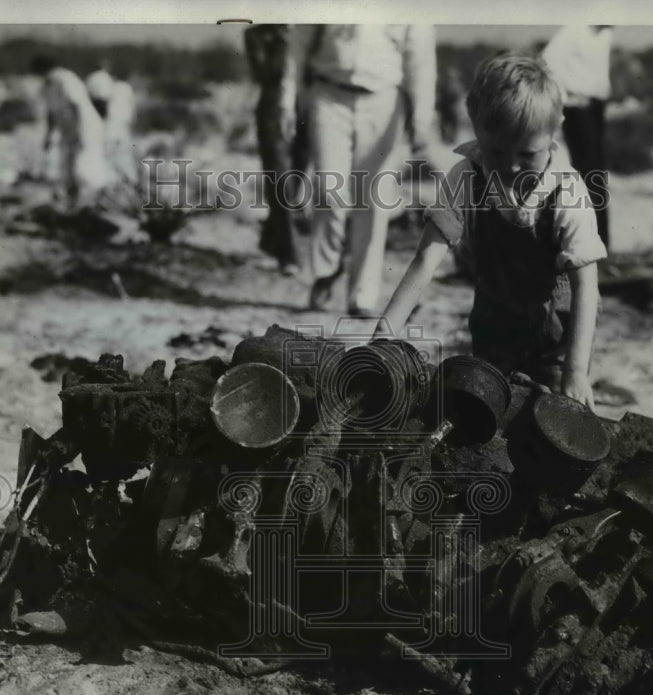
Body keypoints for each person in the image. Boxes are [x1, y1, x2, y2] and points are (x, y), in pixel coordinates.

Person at [375, 54, 606, 408]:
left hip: (555, 342)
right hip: (493, 331)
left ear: (555, 127)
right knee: (485, 413)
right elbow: (426, 259)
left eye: (527, 154)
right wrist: (384, 334)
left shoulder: (567, 192)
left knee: (550, 419)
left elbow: (586, 285)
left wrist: (576, 372)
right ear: (476, 127)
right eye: (496, 151)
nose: (511, 166)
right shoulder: (467, 176)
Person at [285, 25, 437, 315]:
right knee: (329, 191)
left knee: (374, 198)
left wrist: (421, 119)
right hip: (329, 94)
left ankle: (363, 294)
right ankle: (326, 272)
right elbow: (298, 44)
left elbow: (420, 60)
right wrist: (287, 100)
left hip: (384, 100)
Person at [245, 25, 312, 277]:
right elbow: (264, 73)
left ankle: (271, 239)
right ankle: (289, 254)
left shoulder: (309, 31)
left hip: (305, 108)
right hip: (272, 112)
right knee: (280, 179)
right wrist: (285, 45)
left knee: (295, 181)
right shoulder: (257, 35)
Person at [542, 25, 613, 247]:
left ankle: (600, 243)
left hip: (596, 107)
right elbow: (548, 62)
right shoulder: (573, 30)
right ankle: (585, 243)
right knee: (588, 175)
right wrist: (567, 96)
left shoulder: (605, 35)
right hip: (577, 108)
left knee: (597, 176)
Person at [32, 55, 111, 209]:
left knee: (85, 166)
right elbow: (51, 113)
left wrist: (80, 133)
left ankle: (97, 203)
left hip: (85, 127)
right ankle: (73, 204)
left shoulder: (64, 79)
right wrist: (48, 136)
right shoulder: (47, 86)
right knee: (67, 169)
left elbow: (77, 106)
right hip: (67, 130)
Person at [86, 65, 137, 182]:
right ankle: (129, 181)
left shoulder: (111, 87)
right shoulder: (126, 88)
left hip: (111, 128)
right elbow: (132, 113)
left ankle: (117, 181)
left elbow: (102, 106)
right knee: (123, 158)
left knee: (108, 159)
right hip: (122, 129)